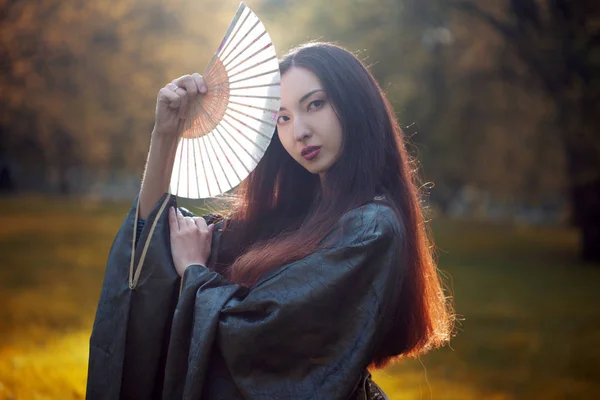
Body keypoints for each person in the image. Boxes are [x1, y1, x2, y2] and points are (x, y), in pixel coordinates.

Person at [86, 42, 454, 399]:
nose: (299, 132)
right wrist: (166, 132)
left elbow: (263, 338)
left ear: (355, 104)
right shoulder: (297, 213)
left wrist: (196, 274)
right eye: (282, 117)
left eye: (316, 104)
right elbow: (154, 241)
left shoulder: (371, 229)